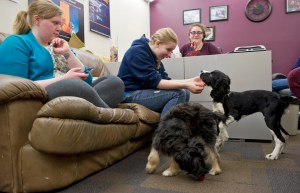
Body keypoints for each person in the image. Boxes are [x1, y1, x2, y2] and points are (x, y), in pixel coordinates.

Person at [0, 0, 124, 108]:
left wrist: (67, 52)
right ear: (37, 19)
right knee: (73, 85)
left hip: (76, 91)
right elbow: (15, 86)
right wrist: (65, 78)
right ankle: (107, 115)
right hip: (45, 95)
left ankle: (91, 111)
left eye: (61, 23)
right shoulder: (18, 42)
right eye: (55, 23)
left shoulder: (59, 45)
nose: (60, 28)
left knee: (115, 82)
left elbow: (88, 80)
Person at [117, 27, 206, 119]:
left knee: (185, 92)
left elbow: (165, 80)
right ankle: (166, 131)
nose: (169, 55)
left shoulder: (155, 57)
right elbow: (155, 82)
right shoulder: (137, 52)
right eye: (168, 50)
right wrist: (187, 84)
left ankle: (174, 128)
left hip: (141, 92)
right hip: (128, 94)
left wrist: (191, 81)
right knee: (180, 93)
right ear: (158, 43)